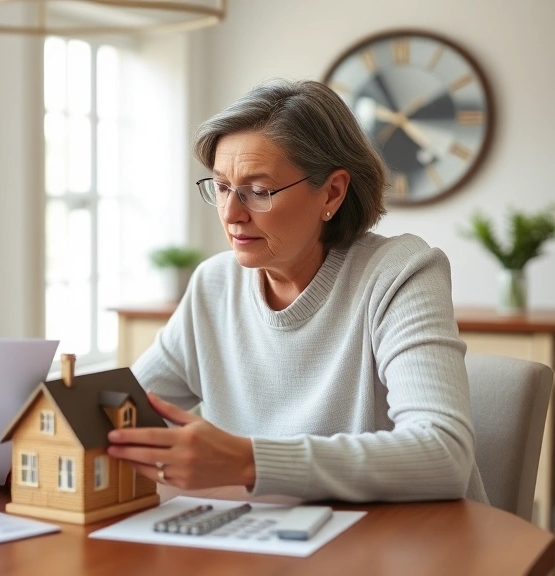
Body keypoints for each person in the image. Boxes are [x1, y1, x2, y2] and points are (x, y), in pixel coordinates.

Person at [107, 79, 488, 504]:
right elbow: (118, 413)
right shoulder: (214, 284)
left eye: (258, 192)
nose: (231, 214)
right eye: (221, 187)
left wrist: (249, 461)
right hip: (264, 533)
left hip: (407, 537)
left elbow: (443, 454)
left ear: (332, 192)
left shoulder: (399, 273)